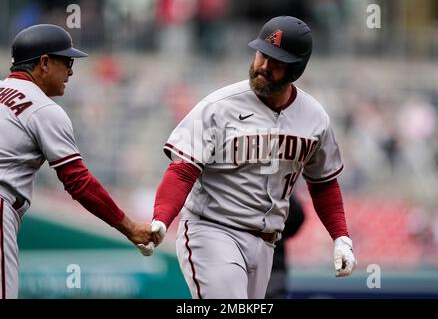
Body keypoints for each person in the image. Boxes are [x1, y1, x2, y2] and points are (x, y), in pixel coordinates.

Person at [139, 16, 357, 298]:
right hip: (213, 230)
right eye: (261, 55)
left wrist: (341, 237)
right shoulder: (218, 107)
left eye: (276, 61)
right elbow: (182, 170)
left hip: (267, 243)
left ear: (297, 68)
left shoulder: (315, 118)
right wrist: (161, 218)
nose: (263, 67)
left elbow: (324, 183)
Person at [0, 24, 153, 299]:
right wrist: (129, 227)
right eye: (67, 61)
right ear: (44, 63)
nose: (71, 71)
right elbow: (78, 183)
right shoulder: (42, 108)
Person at [265, 194, 305, 299]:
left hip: (274, 263)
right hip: (274, 262)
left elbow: (298, 216)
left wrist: (278, 235)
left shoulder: (278, 189)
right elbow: (298, 217)